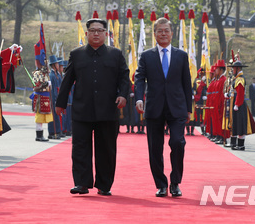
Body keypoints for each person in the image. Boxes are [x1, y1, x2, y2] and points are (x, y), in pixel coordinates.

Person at [56, 18, 130, 196]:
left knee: (106, 149)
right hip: (82, 109)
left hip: (108, 110)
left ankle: (104, 185)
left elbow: (124, 78)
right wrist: (60, 103)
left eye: (100, 30)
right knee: (80, 147)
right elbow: (68, 80)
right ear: (87, 33)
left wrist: (122, 95)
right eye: (92, 30)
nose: (96, 33)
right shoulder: (77, 54)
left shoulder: (116, 54)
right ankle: (81, 183)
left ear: (106, 33)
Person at [134, 17, 193, 198]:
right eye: (160, 30)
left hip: (177, 108)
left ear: (172, 33)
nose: (163, 33)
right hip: (154, 107)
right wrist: (138, 99)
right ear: (154, 34)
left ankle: (175, 182)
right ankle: (161, 184)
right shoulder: (146, 56)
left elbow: (186, 83)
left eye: (166, 30)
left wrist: (189, 109)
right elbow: (139, 78)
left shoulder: (181, 56)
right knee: (155, 148)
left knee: (177, 143)